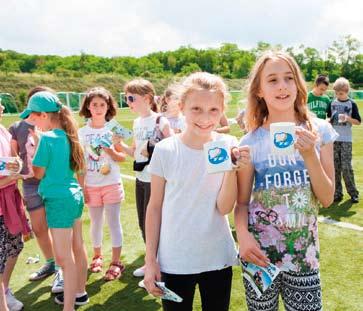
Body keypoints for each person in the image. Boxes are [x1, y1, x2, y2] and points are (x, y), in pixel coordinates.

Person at [235, 51, 337, 311]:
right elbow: (242, 203)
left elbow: (326, 198)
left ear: (298, 84)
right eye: (272, 80)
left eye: (289, 78)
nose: (282, 86)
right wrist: (244, 237)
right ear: (259, 90)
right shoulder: (250, 141)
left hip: (305, 257)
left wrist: (309, 154)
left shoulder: (320, 131)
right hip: (259, 255)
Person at [143, 72, 250, 311]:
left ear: (222, 110)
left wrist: (232, 170)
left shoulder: (228, 145)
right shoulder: (165, 150)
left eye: (214, 110)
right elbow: (155, 206)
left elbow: (224, 208)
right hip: (175, 260)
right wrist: (151, 260)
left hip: (217, 258)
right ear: (181, 107)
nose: (205, 117)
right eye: (196, 109)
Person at [20, 91, 89, 311]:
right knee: (77, 247)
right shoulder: (71, 135)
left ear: (43, 115)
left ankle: (68, 307)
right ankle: (80, 293)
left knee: (63, 258)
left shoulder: (47, 139)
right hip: (73, 196)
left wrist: (39, 142)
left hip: (58, 201)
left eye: (34, 116)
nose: (32, 120)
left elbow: (38, 173)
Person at [9, 86, 63, 294]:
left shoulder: (52, 125)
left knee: (59, 226)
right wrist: (15, 172)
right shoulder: (16, 127)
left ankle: (62, 267)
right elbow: (13, 156)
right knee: (39, 228)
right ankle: (50, 262)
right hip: (31, 184)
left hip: (51, 182)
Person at [118, 79, 172, 283]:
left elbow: (174, 148)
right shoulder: (136, 122)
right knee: (143, 222)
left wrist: (153, 148)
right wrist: (119, 145)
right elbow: (135, 152)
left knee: (155, 223)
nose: (128, 103)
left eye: (131, 98)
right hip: (141, 178)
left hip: (156, 180)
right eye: (126, 99)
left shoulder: (160, 121)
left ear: (147, 99)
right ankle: (151, 261)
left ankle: (159, 266)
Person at [78, 87, 126, 280]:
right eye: (94, 104)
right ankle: (97, 256)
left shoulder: (115, 128)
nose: (98, 108)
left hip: (112, 183)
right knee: (96, 222)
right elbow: (79, 162)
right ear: (88, 107)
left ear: (108, 107)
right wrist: (82, 188)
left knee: (114, 222)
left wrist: (112, 152)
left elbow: (123, 156)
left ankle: (116, 262)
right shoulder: (81, 132)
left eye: (102, 105)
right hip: (91, 185)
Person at [0, 102, 30, 311]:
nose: (1, 107)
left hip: (10, 195)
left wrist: (16, 168)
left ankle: (5, 289)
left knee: (14, 246)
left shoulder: (3, 129)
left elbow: (10, 161)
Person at [327, 77, 361, 203]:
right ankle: (337, 193)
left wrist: (347, 118)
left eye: (340, 93)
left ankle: (353, 193)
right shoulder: (332, 103)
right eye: (336, 93)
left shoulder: (351, 104)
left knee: (346, 167)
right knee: (335, 167)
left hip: (346, 139)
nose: (338, 95)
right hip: (334, 139)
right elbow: (329, 118)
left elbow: (358, 122)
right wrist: (328, 122)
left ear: (347, 91)